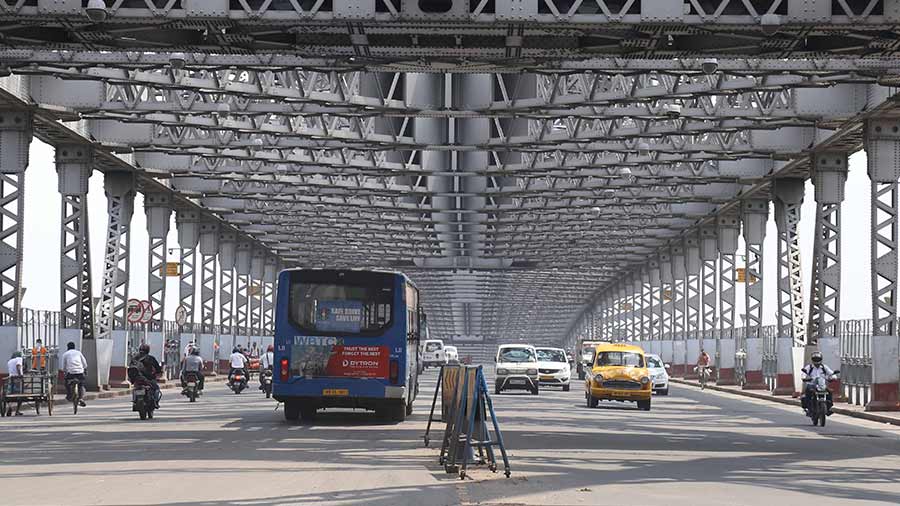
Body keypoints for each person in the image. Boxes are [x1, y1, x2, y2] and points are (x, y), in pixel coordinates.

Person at [129, 343, 163, 408]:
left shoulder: (134, 358)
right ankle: (155, 402)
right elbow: (158, 369)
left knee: (135, 389)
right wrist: (158, 374)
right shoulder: (151, 358)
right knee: (156, 389)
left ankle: (134, 401)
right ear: (148, 350)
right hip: (149, 379)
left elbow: (131, 368)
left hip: (137, 379)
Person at [60, 342, 88, 407]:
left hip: (71, 373)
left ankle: (69, 395)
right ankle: (80, 398)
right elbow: (84, 363)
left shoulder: (65, 354)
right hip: (80, 372)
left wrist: (64, 371)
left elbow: (64, 366)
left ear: (67, 347)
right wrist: (85, 369)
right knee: (81, 385)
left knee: (66, 383)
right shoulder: (78, 353)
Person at [5, 351, 24, 416]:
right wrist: (19, 375)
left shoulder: (9, 361)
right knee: (20, 395)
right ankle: (17, 411)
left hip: (11, 378)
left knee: (10, 394)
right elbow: (18, 366)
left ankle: (10, 406)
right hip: (17, 379)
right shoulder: (19, 359)